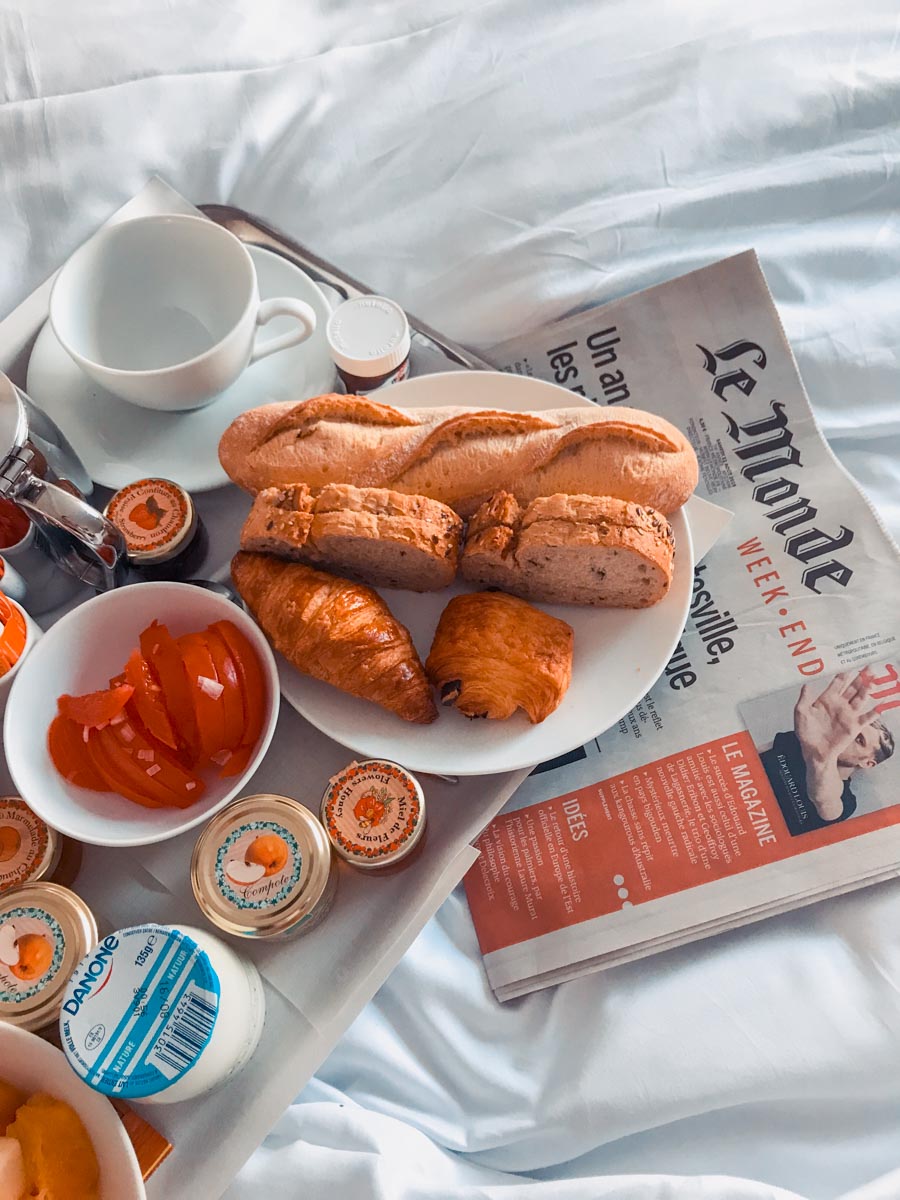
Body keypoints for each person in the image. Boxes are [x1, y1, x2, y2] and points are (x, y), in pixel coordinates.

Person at [759, 669, 895, 836]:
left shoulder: (845, 802)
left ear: (868, 762)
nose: (846, 738)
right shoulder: (798, 742)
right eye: (850, 732)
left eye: (858, 739)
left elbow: (822, 800)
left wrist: (821, 758)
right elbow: (750, 756)